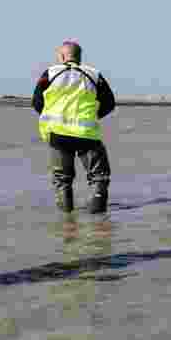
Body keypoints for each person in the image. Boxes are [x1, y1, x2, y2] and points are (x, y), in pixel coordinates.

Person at [32, 41, 116, 213]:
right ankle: (98, 217)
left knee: (62, 180)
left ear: (62, 57)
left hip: (58, 134)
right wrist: (93, 116)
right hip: (86, 133)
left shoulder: (50, 73)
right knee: (99, 177)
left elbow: (37, 102)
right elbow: (109, 103)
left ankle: (67, 221)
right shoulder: (94, 74)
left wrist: (52, 118)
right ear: (79, 57)